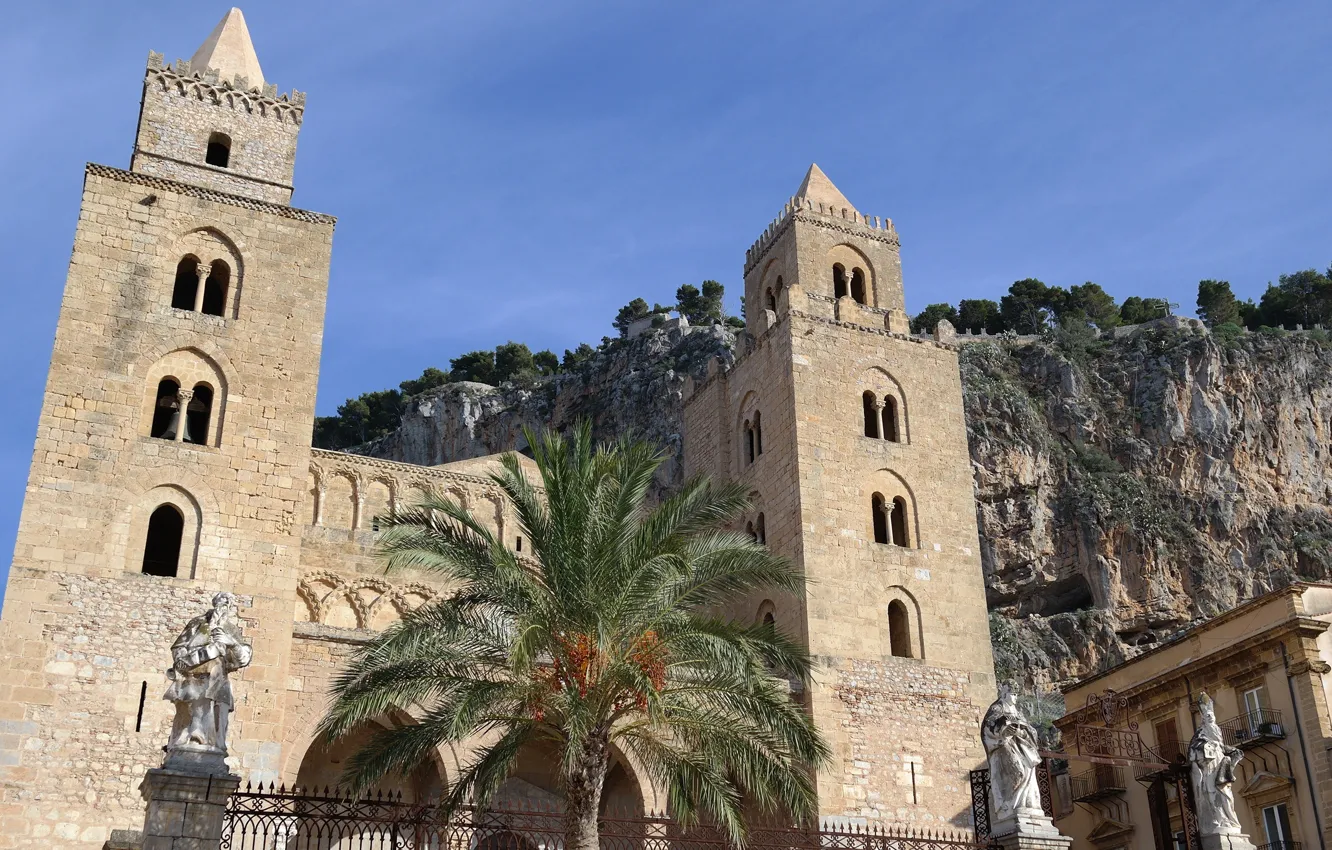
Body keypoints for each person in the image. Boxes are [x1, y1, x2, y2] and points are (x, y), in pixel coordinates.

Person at [164, 592, 252, 752]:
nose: (224, 604)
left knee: (217, 712)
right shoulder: (197, 624)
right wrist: (188, 659)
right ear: (215, 603)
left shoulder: (230, 629)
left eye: (228, 602)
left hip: (218, 679)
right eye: (222, 601)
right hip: (194, 677)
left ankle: (212, 744)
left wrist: (231, 642)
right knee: (190, 712)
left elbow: (243, 659)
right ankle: (191, 740)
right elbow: (179, 649)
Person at [981, 686, 1043, 820]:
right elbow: (988, 728)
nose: (1015, 698)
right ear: (1004, 694)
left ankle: (1027, 804)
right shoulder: (996, 709)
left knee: (1028, 770)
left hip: (1020, 748)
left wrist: (1020, 732)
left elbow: (1031, 731)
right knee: (1019, 771)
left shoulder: (1017, 712)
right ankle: (1010, 805)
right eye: (1013, 694)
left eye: (1016, 695)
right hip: (1003, 747)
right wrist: (1003, 730)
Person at [1188, 692, 1243, 834]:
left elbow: (1221, 746)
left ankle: (1230, 821)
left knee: (1227, 796)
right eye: (1207, 716)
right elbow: (1193, 750)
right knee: (1212, 794)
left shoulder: (1216, 731)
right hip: (1209, 768)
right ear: (1203, 719)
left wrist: (1232, 751)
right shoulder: (1200, 734)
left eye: (1212, 715)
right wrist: (1206, 748)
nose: (1210, 717)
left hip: (1220, 765)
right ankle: (1218, 820)